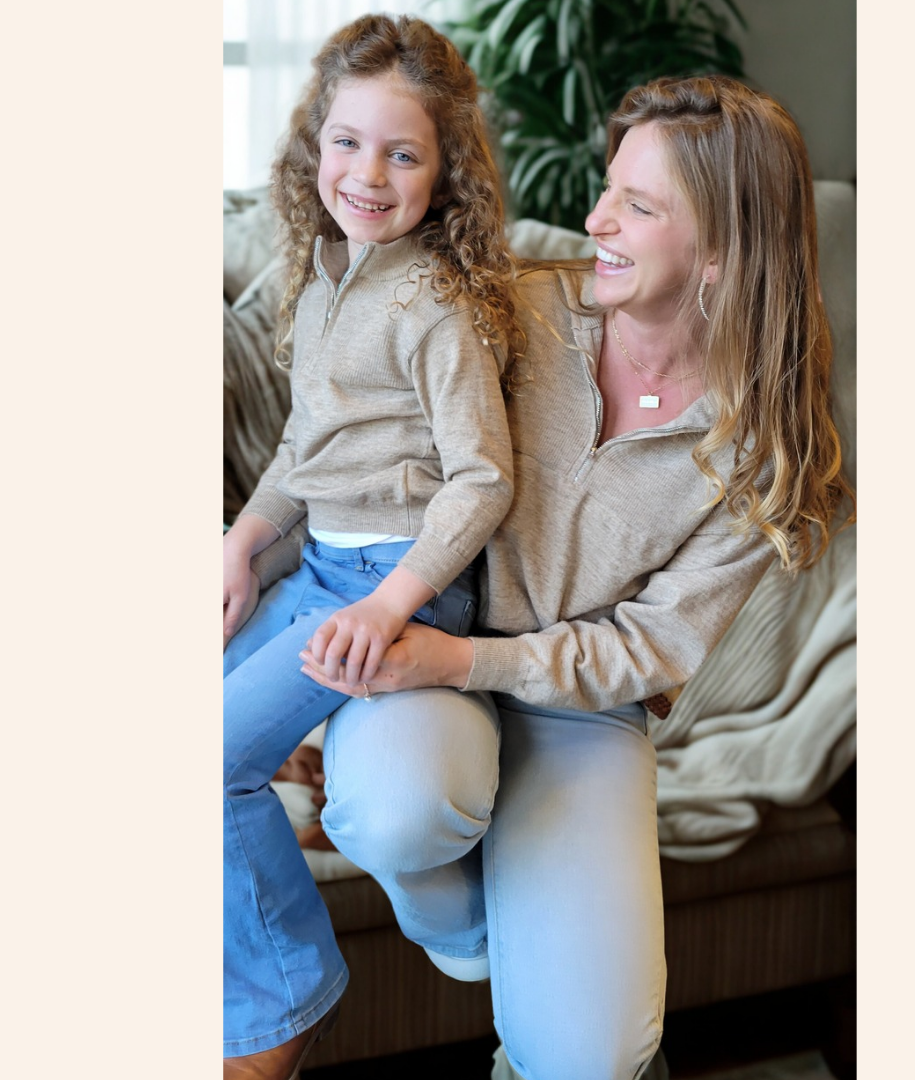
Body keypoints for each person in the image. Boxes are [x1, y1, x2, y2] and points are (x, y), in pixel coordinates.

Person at [234, 72, 855, 1080]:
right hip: (426, 639)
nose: (594, 219)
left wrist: (464, 664)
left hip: (577, 706)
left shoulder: (764, 445)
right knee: (398, 807)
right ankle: (472, 930)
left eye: (637, 207)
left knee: (593, 1060)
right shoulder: (511, 309)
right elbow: (347, 440)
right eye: (609, 188)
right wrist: (248, 542)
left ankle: (544, 970)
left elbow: (651, 647)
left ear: (724, 252)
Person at [222, 14, 522, 1077]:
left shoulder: (434, 303)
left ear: (446, 174)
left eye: (403, 154)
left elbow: (484, 480)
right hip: (314, 566)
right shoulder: (322, 275)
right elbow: (305, 449)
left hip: (393, 581)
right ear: (315, 141)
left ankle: (280, 1002)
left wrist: (389, 605)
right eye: (347, 142)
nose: (367, 173)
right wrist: (241, 541)